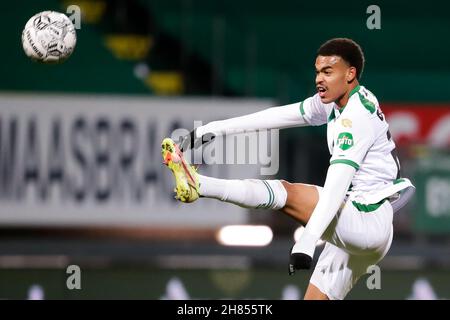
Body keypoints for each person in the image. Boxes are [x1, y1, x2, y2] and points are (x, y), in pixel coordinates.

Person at [161, 38, 415, 300]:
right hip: (361, 225)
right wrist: (212, 129)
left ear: (350, 74)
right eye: (317, 71)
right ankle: (198, 184)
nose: (319, 79)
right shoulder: (333, 102)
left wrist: (307, 242)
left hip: (367, 219)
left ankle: (200, 185)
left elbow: (336, 187)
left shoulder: (356, 116)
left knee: (284, 193)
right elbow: (275, 117)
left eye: (328, 72)